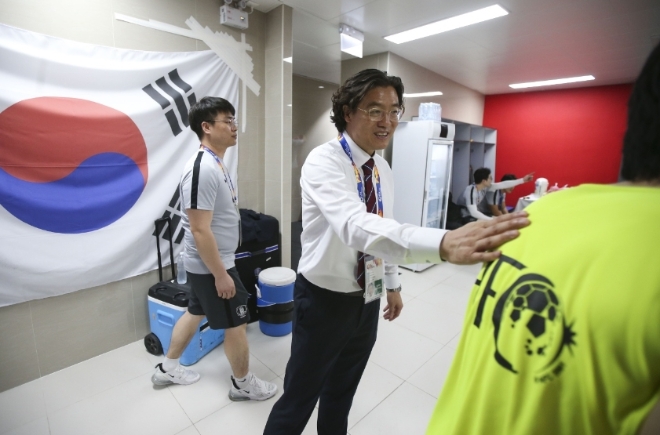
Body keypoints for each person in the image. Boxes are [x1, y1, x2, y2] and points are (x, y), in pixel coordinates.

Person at [263, 69, 531, 435]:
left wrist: (392, 283)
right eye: (375, 110)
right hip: (324, 301)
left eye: (394, 111)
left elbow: (384, 225)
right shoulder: (324, 161)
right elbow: (355, 226)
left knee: (342, 392)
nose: (387, 121)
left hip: (367, 299)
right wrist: (442, 243)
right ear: (347, 111)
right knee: (299, 398)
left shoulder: (382, 169)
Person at [426, 42, 660, 435]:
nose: (488, 182)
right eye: (487, 180)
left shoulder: (540, 213)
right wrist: (486, 224)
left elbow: (502, 188)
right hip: (469, 218)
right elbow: (477, 211)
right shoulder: (475, 193)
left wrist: (518, 188)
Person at [151, 97, 277, 402]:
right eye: (228, 121)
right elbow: (198, 228)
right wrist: (221, 274)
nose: (235, 127)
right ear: (206, 127)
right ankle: (242, 384)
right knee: (237, 322)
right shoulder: (201, 169)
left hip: (211, 262)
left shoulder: (215, 162)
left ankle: (168, 368)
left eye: (234, 120)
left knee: (195, 311)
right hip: (212, 266)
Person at [459, 167, 533, 221]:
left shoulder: (485, 187)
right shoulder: (470, 191)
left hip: (475, 213)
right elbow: (473, 212)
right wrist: (492, 220)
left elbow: (503, 184)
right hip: (464, 214)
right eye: (490, 178)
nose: (492, 180)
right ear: (484, 181)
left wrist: (523, 180)